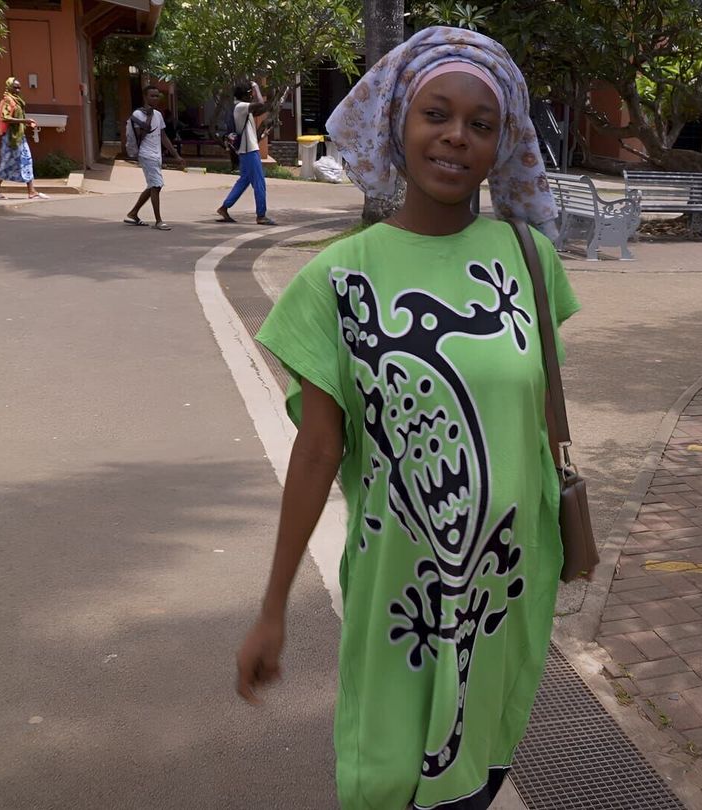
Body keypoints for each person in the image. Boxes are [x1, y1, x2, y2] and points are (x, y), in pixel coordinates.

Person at [235, 27, 571, 810]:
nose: (456, 136)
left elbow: (539, 413)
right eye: (437, 114)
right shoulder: (337, 281)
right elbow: (318, 453)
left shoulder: (529, 260)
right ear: (398, 123)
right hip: (400, 598)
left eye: (480, 124)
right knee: (387, 780)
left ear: (501, 144)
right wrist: (273, 608)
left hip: (504, 589)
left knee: (474, 774)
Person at [123, 85, 185, 230]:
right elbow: (138, 136)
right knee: (156, 185)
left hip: (157, 155)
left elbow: (163, 136)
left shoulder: (158, 114)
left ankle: (133, 213)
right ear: (145, 97)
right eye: (152, 96)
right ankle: (158, 221)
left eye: (157, 96)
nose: (155, 98)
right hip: (145, 154)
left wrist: (176, 155)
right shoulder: (138, 115)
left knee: (152, 185)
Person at [216, 81, 277, 225]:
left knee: (244, 181)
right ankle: (261, 215)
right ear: (245, 94)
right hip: (249, 150)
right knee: (259, 182)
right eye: (250, 94)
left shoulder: (240, 107)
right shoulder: (241, 107)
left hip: (245, 150)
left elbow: (262, 108)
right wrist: (255, 86)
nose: (252, 96)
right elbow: (261, 104)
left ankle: (224, 207)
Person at [0, 77, 49, 200]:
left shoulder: (17, 101)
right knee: (7, 162)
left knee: (26, 160)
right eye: (15, 87)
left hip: (19, 135)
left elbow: (18, 117)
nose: (17, 90)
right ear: (9, 87)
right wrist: (25, 120)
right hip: (10, 137)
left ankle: (31, 191)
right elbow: (5, 118)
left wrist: (26, 123)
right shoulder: (7, 100)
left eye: (19, 88)